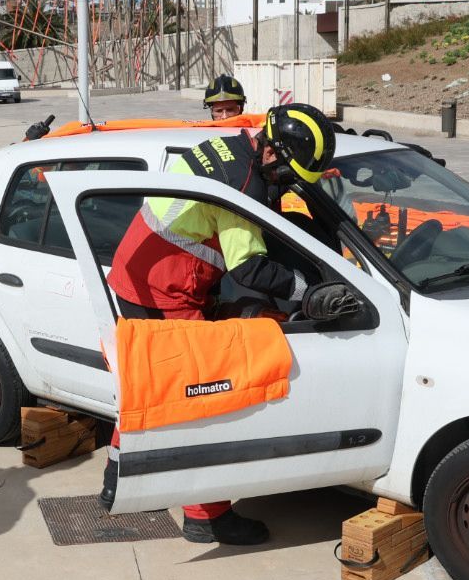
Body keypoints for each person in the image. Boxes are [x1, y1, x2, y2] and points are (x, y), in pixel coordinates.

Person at [101, 104, 339, 546]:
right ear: (272, 155)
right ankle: (207, 517)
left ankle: (118, 475)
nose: (286, 185)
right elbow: (248, 268)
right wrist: (307, 290)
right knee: (201, 398)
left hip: (135, 276)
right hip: (165, 289)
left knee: (147, 387)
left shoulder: (235, 146)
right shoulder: (242, 187)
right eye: (288, 176)